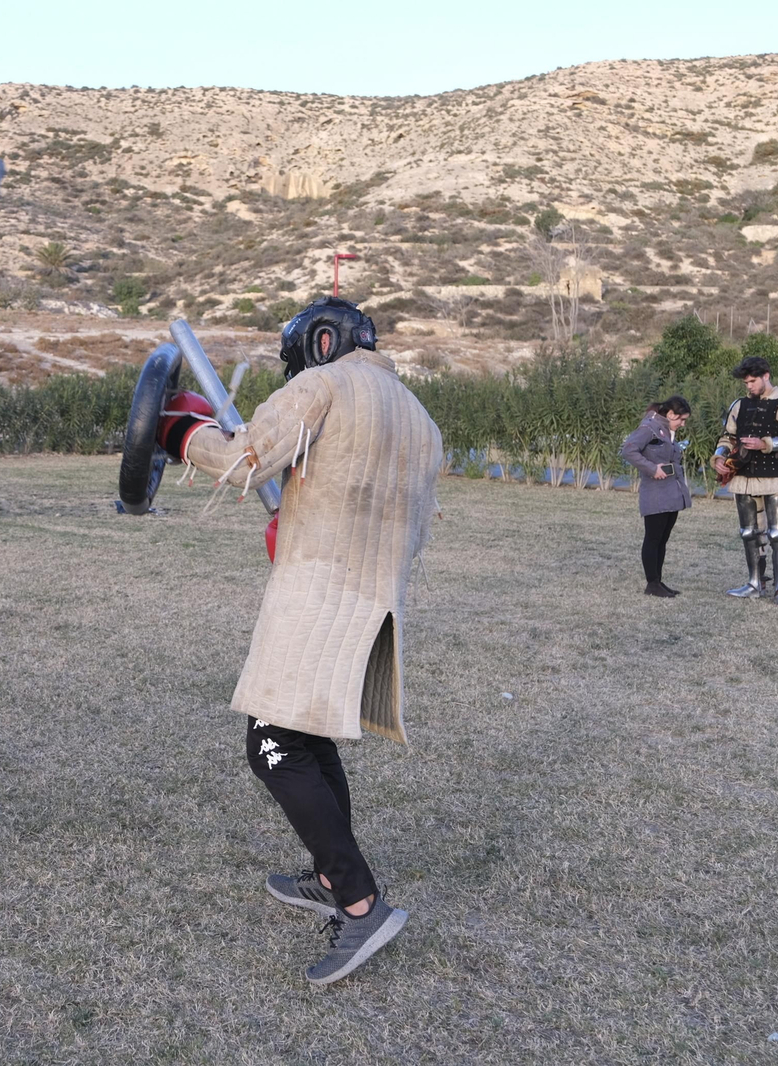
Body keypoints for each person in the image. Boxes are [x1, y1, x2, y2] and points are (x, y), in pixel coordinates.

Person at [155, 296, 442, 986]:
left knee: (272, 746)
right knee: (307, 736)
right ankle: (326, 875)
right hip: (377, 599)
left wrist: (174, 432)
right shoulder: (420, 417)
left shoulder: (323, 384)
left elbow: (246, 459)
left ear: (320, 340)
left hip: (318, 595)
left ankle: (359, 900)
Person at [711, 356, 778, 607]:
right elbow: (728, 437)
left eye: (753, 381)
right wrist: (720, 457)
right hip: (744, 477)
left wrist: (765, 443)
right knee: (749, 533)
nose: (749, 386)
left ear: (766, 375)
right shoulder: (739, 405)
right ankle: (755, 583)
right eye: (746, 382)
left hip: (777, 476)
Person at [619, 396, 693, 598]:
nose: (683, 424)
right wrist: (651, 469)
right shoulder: (649, 428)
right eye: (681, 419)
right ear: (670, 414)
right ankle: (652, 583)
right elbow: (628, 450)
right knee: (653, 539)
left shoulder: (667, 431)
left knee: (662, 540)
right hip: (655, 494)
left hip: (671, 493)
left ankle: (658, 581)